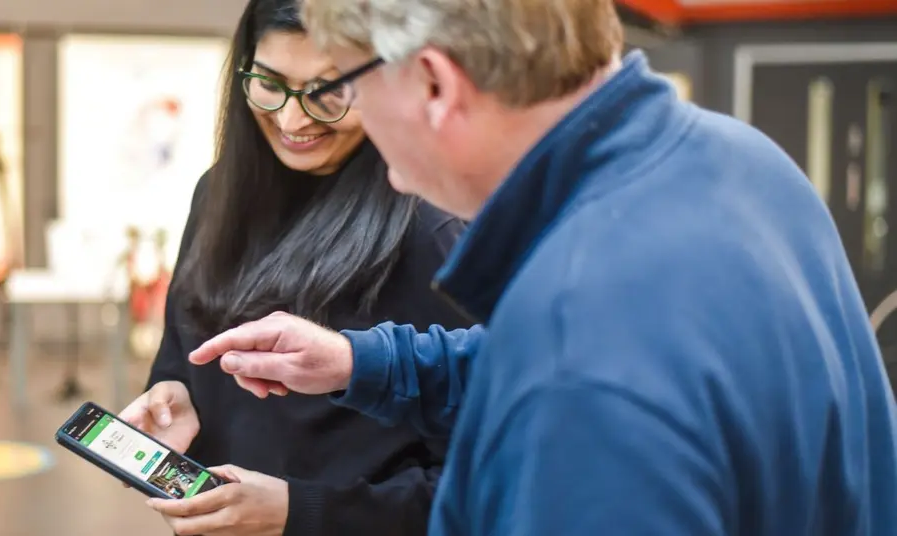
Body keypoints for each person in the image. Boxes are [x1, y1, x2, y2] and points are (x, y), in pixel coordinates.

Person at [185, 0, 897, 535]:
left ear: (434, 83)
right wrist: (357, 363)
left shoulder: (578, 352)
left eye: (349, 89)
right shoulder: (741, 160)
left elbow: (577, 365)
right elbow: (530, 359)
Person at [119, 0, 469, 535]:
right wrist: (178, 399)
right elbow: (181, 352)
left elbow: (475, 482)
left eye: (330, 91)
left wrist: (300, 511)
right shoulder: (218, 194)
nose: (292, 119)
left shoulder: (428, 229)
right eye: (270, 83)